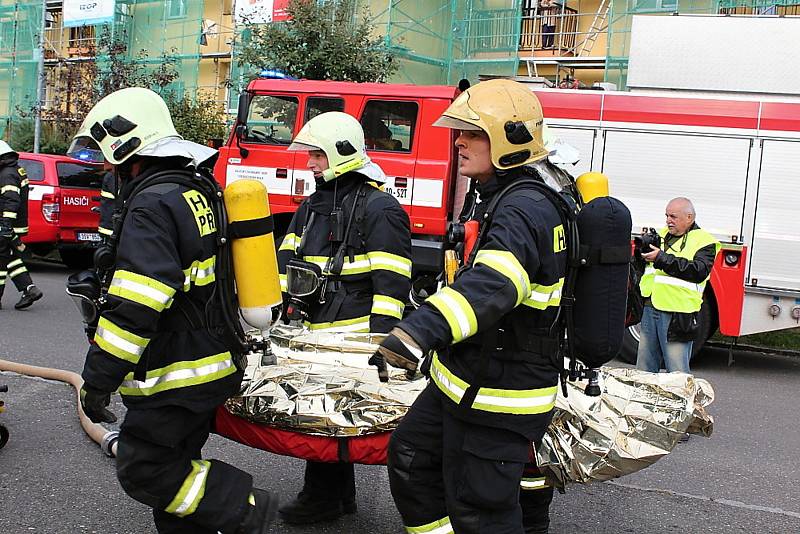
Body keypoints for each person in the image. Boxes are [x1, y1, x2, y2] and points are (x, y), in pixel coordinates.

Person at [69, 87, 278, 534]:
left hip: (174, 373)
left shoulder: (151, 204)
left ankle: (249, 505)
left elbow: (138, 305)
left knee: (147, 470)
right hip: (212, 362)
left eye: (107, 153)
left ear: (126, 143)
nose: (106, 166)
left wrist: (97, 380)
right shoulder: (196, 190)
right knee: (181, 466)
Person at [370, 79, 567, 533]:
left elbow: (496, 283)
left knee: (481, 513)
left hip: (501, 393)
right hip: (464, 380)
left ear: (510, 138)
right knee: (411, 459)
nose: (459, 141)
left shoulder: (524, 207)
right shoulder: (503, 196)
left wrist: (417, 331)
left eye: (473, 133)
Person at [276, 111, 413, 524]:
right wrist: (282, 311)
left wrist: (380, 343)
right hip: (315, 330)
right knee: (325, 415)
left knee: (334, 418)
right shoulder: (313, 205)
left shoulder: (381, 208)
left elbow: (392, 286)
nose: (311, 163)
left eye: (317, 155)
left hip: (354, 338)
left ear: (341, 153)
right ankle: (336, 497)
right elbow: (288, 258)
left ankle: (322, 499)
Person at [636, 197, 720, 374]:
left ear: (689, 217)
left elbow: (698, 271)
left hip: (678, 315)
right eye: (666, 215)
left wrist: (661, 258)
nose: (668, 220)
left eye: (673, 216)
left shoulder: (704, 241)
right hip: (651, 307)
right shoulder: (662, 235)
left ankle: (681, 402)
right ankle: (646, 402)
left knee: (677, 372)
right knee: (644, 370)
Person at [0, 140, 43, 311]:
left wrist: (5, 226)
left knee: (1, 262)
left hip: (8, 225)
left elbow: (11, 201)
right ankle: (29, 289)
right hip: (13, 225)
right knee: (10, 258)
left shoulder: (7, 174)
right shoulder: (15, 170)